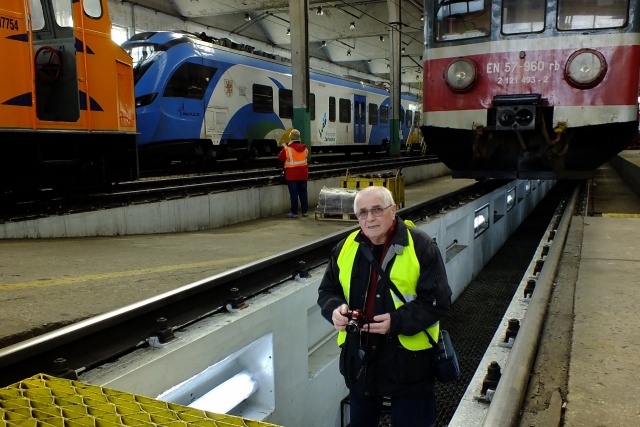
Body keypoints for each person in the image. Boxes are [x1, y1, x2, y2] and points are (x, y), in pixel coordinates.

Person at [317, 185, 452, 427]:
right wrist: (334, 309)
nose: (369, 219)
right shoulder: (345, 247)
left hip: (409, 363)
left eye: (377, 210)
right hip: (361, 361)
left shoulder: (420, 246)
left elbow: (437, 300)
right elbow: (328, 291)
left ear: (394, 210)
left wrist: (396, 322)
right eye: (363, 212)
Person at [278, 129, 309, 218]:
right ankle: (305, 211)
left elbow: (280, 158)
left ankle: (294, 212)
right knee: (303, 193)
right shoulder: (305, 149)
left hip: (292, 175)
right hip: (303, 174)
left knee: (294, 194)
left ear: (291, 138)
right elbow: (306, 156)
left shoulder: (287, 149)